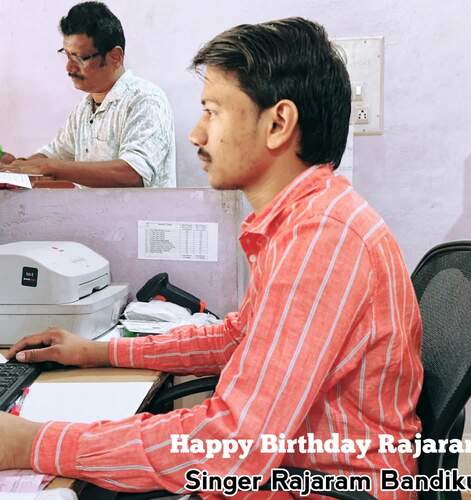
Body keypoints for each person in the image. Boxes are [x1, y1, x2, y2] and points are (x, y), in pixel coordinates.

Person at [0, 18, 422, 499]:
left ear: (278, 124)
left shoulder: (322, 238)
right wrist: (98, 352)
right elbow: (237, 338)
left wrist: (33, 443)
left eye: (213, 112)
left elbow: (233, 446)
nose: (196, 134)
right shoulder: (303, 221)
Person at [0, 2, 176, 188]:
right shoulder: (85, 108)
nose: (69, 67)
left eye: (79, 58)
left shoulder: (145, 99)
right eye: (67, 55)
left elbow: (133, 173)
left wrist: (50, 167)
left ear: (115, 56)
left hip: (140, 209)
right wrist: (13, 170)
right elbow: (55, 154)